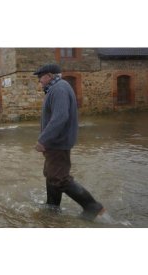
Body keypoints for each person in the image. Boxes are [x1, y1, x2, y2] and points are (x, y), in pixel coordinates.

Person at [34, 64, 105, 221]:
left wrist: (43, 139)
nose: (39, 81)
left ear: (50, 76)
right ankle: (52, 208)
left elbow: (60, 118)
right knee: (51, 175)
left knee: (59, 178)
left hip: (57, 142)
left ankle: (92, 206)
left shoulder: (59, 89)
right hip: (56, 142)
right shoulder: (58, 88)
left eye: (41, 77)